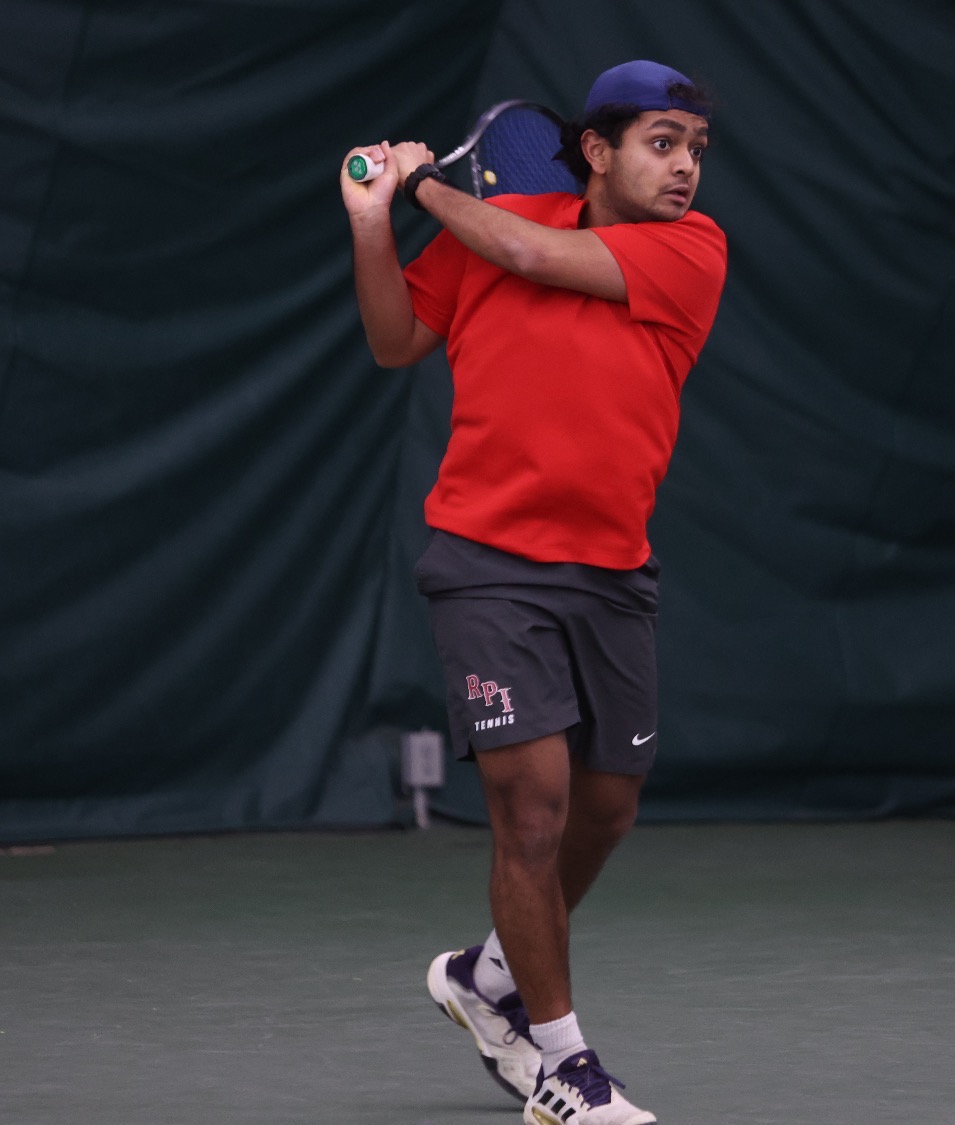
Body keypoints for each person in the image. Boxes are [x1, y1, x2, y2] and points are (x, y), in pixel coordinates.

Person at [340, 60, 725, 1125]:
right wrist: (373, 220)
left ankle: (487, 981)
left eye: (695, 146)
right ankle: (561, 1067)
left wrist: (421, 187)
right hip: (486, 563)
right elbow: (392, 340)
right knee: (534, 807)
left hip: (612, 573)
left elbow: (518, 247)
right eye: (661, 141)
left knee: (606, 808)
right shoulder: (489, 227)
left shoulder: (690, 250)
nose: (685, 165)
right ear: (594, 150)